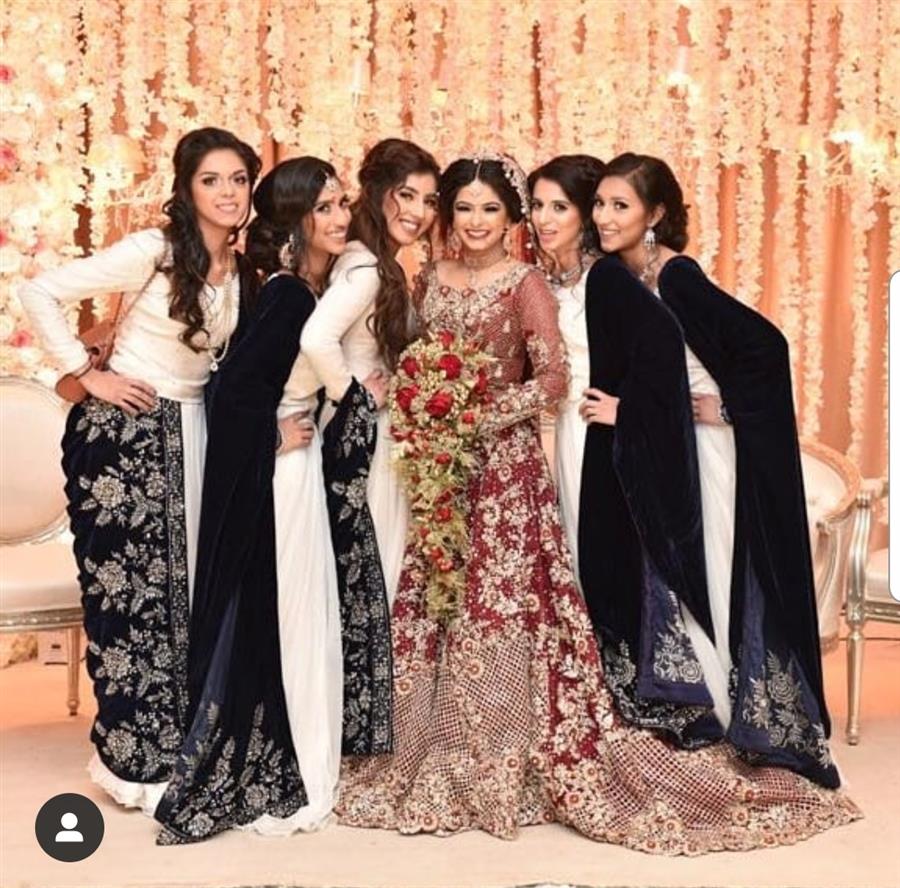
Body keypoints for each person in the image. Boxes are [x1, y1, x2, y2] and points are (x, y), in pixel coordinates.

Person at [336, 151, 859, 853]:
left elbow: (558, 376)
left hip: (521, 458)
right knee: (449, 594)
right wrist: (421, 401)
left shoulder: (553, 279)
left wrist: (476, 415)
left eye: (498, 208)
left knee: (524, 597)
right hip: (452, 465)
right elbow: (420, 356)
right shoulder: (439, 276)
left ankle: (593, 720)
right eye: (464, 207)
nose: (478, 220)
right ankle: (443, 731)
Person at [19, 127, 260, 812]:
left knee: (186, 599)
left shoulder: (241, 270)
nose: (227, 192)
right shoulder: (152, 252)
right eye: (211, 179)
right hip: (125, 442)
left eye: (239, 179)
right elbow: (40, 291)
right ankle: (134, 761)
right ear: (187, 187)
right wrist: (86, 374)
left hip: (195, 434)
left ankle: (185, 747)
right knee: (131, 603)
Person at [585, 151, 839, 788]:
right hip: (670, 447)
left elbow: (765, 346)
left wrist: (725, 408)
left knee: (710, 574)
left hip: (704, 453)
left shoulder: (675, 276)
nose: (605, 217)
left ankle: (731, 715)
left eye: (621, 205)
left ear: (654, 215)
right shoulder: (626, 277)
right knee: (675, 576)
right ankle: (696, 706)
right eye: (600, 203)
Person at [155, 157, 351, 843]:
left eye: (342, 204)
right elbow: (234, 390)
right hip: (283, 476)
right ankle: (290, 752)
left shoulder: (299, 287)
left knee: (295, 610)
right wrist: (274, 434)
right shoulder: (291, 295)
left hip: (295, 467)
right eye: (324, 208)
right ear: (295, 220)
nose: (340, 218)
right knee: (286, 612)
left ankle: (305, 742)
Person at [301, 139, 440, 755]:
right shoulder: (363, 267)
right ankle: (360, 728)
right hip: (362, 437)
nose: (418, 211)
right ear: (377, 193)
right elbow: (316, 338)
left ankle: (370, 720)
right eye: (406, 195)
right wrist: (355, 397)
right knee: (372, 573)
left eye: (429, 201)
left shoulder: (376, 261)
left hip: (373, 432)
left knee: (371, 573)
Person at [528, 154, 604, 579]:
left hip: (592, 427)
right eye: (538, 205)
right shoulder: (542, 280)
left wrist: (627, 409)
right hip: (555, 429)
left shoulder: (606, 280)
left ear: (585, 213)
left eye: (559, 207)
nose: (544, 218)